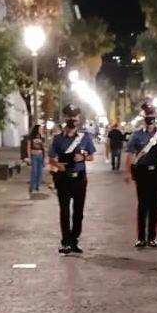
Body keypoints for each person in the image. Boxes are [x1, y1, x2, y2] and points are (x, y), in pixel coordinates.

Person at [49, 104, 96, 255]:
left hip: (79, 178)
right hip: (63, 178)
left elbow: (91, 156)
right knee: (64, 211)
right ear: (65, 118)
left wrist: (82, 157)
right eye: (69, 117)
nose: (72, 119)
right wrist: (58, 165)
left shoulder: (85, 137)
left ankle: (74, 240)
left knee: (78, 211)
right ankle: (66, 242)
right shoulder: (57, 139)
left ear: (78, 118)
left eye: (74, 116)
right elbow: (51, 158)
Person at [124, 103, 157, 248]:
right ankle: (141, 238)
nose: (150, 117)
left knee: (155, 205)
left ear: (155, 116)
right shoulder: (137, 134)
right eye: (148, 115)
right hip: (142, 172)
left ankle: (152, 237)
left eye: (152, 114)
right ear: (144, 116)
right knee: (143, 204)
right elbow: (130, 154)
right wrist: (127, 172)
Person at [27, 124, 46, 193]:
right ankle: (32, 186)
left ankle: (38, 185)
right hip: (34, 155)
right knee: (34, 171)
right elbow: (28, 147)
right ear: (36, 129)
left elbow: (43, 147)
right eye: (40, 128)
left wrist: (44, 157)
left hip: (40, 155)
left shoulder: (42, 137)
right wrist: (29, 157)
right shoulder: (31, 137)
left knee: (40, 171)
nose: (41, 130)